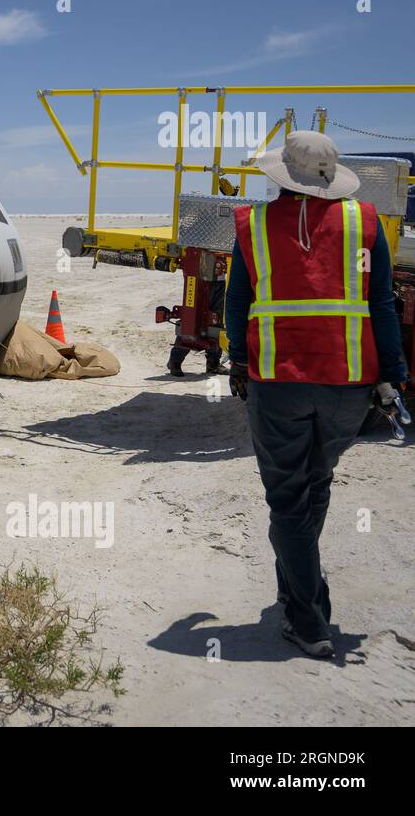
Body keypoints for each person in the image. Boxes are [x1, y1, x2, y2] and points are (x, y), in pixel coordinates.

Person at [226, 130, 409, 659]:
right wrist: (392, 376)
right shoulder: (363, 222)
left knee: (287, 501)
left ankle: (308, 618)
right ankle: (296, 592)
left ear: (282, 174)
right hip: (348, 386)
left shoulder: (254, 225)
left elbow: (238, 303)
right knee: (315, 485)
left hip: (277, 382)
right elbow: (382, 306)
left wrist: (238, 361)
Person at [166, 278, 228, 376]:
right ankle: (175, 361)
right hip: (200, 278)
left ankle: (213, 363)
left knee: (217, 320)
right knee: (192, 320)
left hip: (220, 279)